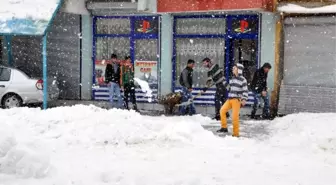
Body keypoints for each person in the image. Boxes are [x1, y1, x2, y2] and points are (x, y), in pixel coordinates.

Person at [218, 63, 248, 137]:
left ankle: (235, 134)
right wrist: (224, 81)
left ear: (239, 70)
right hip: (230, 99)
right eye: (233, 68)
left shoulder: (243, 80)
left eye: (234, 68)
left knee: (234, 117)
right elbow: (229, 88)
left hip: (237, 100)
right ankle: (224, 127)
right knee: (222, 110)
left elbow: (245, 90)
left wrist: (244, 99)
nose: (233, 69)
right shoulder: (232, 78)